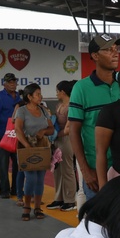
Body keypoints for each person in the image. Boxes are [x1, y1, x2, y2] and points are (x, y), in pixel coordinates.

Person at [69, 33, 120, 204]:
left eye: (116, 49)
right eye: (108, 50)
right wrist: (85, 171)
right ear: (95, 56)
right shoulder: (82, 88)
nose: (115, 53)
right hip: (96, 169)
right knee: (98, 225)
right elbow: (74, 131)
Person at [14, 84, 55, 221]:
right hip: (27, 147)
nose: (40, 96)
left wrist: (43, 131)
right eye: (37, 94)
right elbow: (18, 130)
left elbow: (51, 128)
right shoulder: (22, 111)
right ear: (29, 97)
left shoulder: (43, 110)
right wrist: (26, 146)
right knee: (31, 178)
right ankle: (27, 206)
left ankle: (37, 207)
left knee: (40, 179)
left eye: (40, 93)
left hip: (42, 147)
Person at [47, 80, 77, 211]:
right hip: (58, 139)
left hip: (67, 140)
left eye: (57, 91)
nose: (56, 93)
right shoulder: (60, 105)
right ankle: (59, 198)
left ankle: (70, 200)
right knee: (57, 170)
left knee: (67, 169)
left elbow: (70, 127)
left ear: (63, 92)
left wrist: (56, 134)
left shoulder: (71, 106)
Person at [0, 73, 21, 199]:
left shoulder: (19, 96)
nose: (12, 84)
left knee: (18, 164)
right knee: (3, 164)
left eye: (14, 82)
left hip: (17, 136)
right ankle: (4, 190)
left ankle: (16, 189)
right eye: (9, 82)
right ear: (4, 84)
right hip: (3, 135)